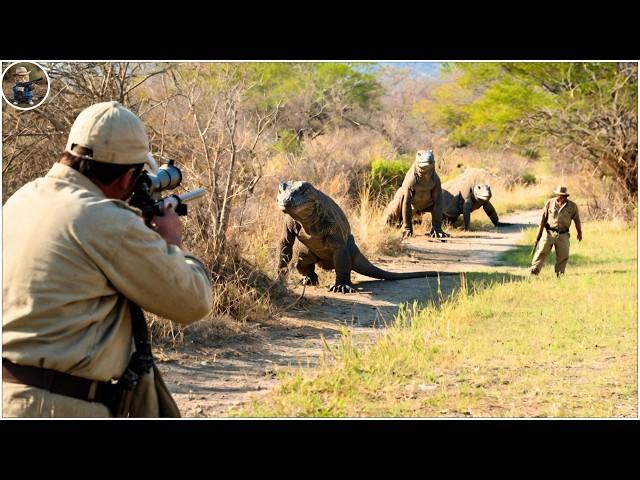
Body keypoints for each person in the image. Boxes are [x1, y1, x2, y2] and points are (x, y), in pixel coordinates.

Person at [3, 101, 213, 417]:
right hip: (58, 407)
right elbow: (193, 301)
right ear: (129, 177)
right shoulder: (104, 219)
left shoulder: (23, 198)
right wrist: (172, 243)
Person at [530, 186, 583, 277]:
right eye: (559, 195)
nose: (561, 197)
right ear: (556, 195)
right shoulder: (549, 203)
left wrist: (579, 233)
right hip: (549, 233)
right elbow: (543, 220)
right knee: (541, 251)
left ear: (566, 196)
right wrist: (538, 236)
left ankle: (559, 273)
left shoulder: (572, 206)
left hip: (563, 234)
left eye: (563, 195)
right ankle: (535, 269)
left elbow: (577, 220)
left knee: (563, 254)